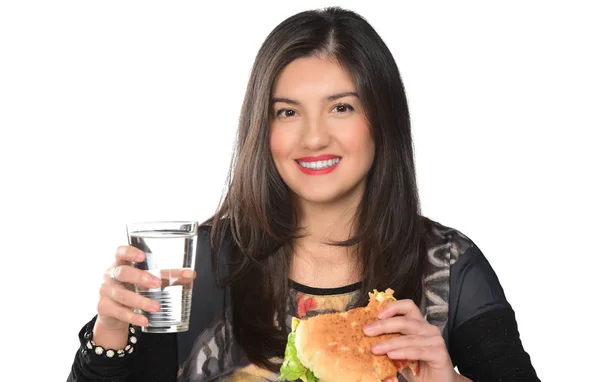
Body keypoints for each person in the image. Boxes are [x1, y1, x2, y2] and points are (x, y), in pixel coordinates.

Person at [68, 7, 540, 382]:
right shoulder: (198, 268)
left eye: (341, 107)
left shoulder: (450, 265)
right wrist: (111, 335)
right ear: (262, 128)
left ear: (383, 119)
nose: (313, 139)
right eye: (287, 113)